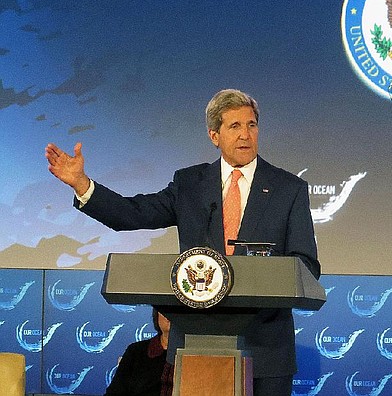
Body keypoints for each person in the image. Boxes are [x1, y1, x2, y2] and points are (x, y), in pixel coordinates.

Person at [45, 89, 321, 396]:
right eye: (235, 126)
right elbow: (133, 214)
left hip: (266, 348)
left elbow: (306, 264)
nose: (246, 134)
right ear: (214, 135)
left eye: (252, 125)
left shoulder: (288, 188)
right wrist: (83, 185)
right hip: (196, 343)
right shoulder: (189, 184)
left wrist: (264, 274)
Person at [105, 309, 170, 396]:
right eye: (166, 310)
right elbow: (115, 392)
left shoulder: (192, 355)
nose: (170, 316)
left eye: (178, 310)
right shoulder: (136, 351)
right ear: (156, 315)